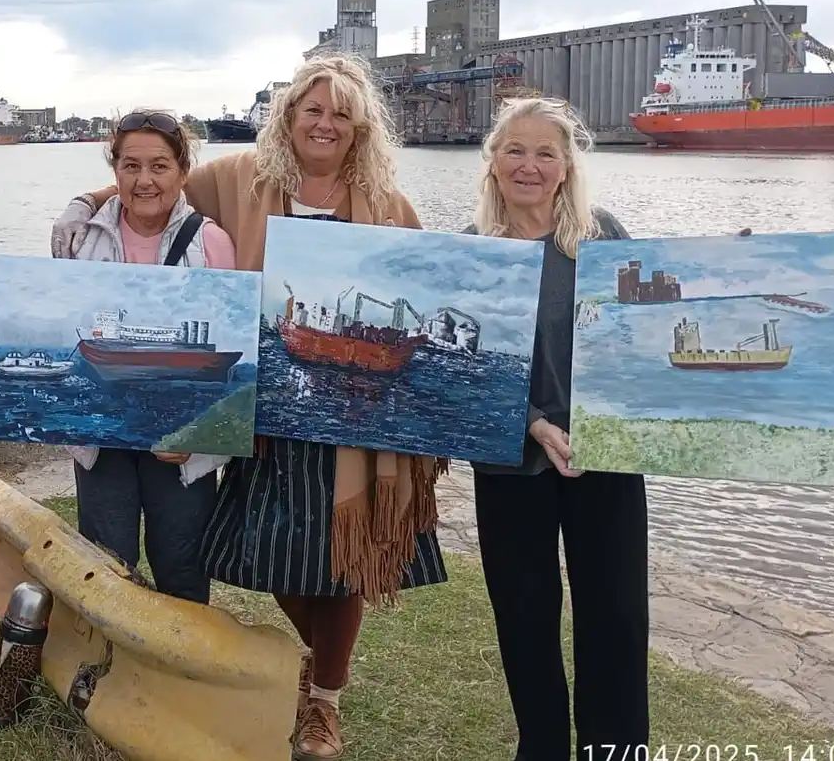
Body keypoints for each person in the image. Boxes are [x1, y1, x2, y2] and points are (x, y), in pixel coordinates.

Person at [52, 55, 449, 761]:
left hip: (353, 418)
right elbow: (148, 185)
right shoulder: (238, 180)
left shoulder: (389, 204)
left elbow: (428, 290)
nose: (325, 123)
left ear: (359, 127)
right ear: (289, 116)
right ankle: (309, 659)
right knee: (269, 555)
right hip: (268, 410)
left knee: (347, 559)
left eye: (340, 114)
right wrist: (80, 207)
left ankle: (325, 697)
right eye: (312, 110)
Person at [461, 96, 648, 761]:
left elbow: (646, 331)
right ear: (493, 164)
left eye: (546, 153)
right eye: (515, 150)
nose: (530, 165)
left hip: (607, 455)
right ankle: (541, 748)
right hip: (511, 459)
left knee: (617, 616)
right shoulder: (473, 254)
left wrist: (719, 273)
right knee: (525, 616)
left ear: (567, 167)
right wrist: (534, 423)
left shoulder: (601, 238)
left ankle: (616, 750)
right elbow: (465, 372)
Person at [63, 107, 236, 605]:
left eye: (159, 167)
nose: (144, 180)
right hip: (102, 440)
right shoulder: (81, 239)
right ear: (114, 170)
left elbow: (230, 342)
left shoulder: (211, 244)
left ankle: (178, 669)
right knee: (105, 560)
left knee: (181, 563)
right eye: (130, 166)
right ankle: (107, 665)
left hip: (178, 444)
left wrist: (198, 434)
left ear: (183, 172)